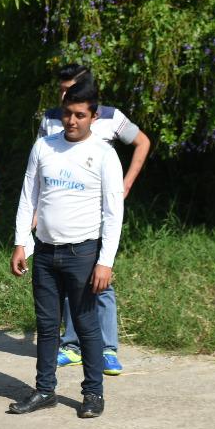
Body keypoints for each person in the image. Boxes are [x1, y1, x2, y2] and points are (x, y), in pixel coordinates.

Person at [9, 79, 124, 419]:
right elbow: (28, 196)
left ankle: (93, 393)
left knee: (87, 325)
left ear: (93, 115)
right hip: (45, 252)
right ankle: (45, 389)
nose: (71, 121)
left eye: (79, 115)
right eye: (66, 114)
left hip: (84, 254)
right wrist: (21, 243)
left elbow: (113, 213)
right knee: (47, 325)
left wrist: (105, 261)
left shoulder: (104, 154)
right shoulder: (44, 147)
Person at [38, 64, 151, 377]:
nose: (65, 97)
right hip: (61, 216)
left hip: (98, 214)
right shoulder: (50, 119)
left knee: (100, 277)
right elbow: (40, 168)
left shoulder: (110, 117)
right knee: (69, 281)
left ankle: (107, 348)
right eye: (61, 92)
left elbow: (143, 142)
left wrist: (126, 183)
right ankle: (71, 345)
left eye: (70, 90)